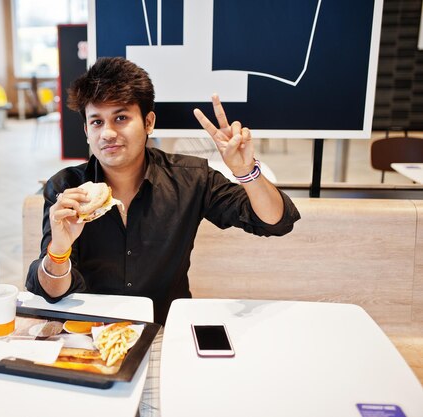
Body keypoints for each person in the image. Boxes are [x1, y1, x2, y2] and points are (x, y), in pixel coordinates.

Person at [26, 57, 300, 324]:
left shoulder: (190, 178)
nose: (107, 133)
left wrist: (246, 171)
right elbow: (53, 292)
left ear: (148, 122)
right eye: (97, 122)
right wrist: (59, 249)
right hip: (90, 336)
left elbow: (275, 222)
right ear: (86, 130)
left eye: (120, 118)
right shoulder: (66, 189)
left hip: (164, 330)